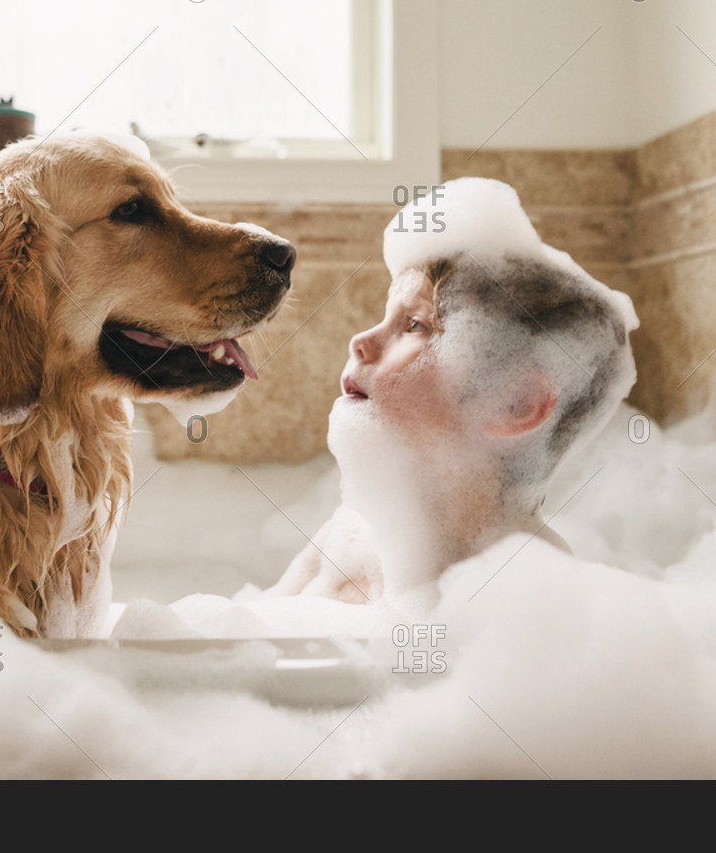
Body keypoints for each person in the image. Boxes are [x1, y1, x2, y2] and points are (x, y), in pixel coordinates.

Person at [268, 178, 638, 603]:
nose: (360, 340)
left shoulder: (530, 583)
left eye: (414, 325)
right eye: (386, 318)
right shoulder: (348, 534)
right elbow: (259, 628)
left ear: (513, 403)